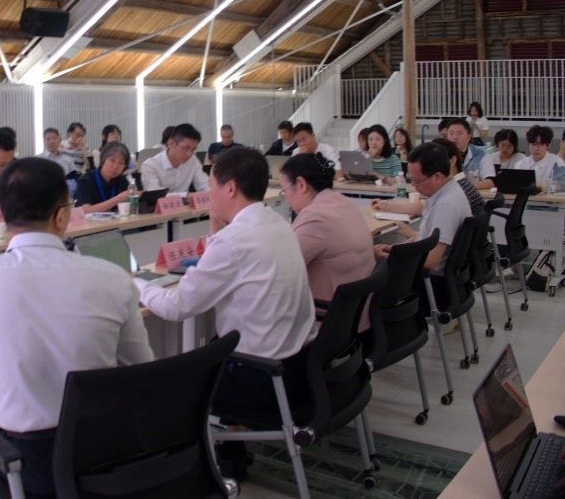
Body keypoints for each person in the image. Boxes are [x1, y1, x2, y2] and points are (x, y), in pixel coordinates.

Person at [0, 157, 153, 496]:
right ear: (62, 216)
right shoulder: (113, 278)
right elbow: (142, 367)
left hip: (29, 461)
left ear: (2, 215)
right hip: (105, 453)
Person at [137, 146, 315, 420]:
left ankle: (208, 441)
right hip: (297, 368)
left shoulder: (234, 240)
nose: (209, 194)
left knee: (167, 382)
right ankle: (231, 437)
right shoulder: (277, 222)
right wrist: (216, 230)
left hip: (258, 379)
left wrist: (137, 284)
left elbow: (177, 307)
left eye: (212, 186)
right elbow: (226, 262)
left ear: (230, 188)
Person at [280, 153, 374, 330]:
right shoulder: (343, 202)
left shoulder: (315, 217)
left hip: (329, 325)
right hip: (356, 321)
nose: (286, 198)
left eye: (284, 190)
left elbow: (281, 272)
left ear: (301, 184)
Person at [375, 142, 471, 276]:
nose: (414, 186)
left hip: (427, 279)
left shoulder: (446, 205)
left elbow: (430, 262)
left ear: (436, 177)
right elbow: (423, 239)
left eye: (417, 181)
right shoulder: (451, 190)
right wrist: (394, 249)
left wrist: (388, 257)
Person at [140, 123, 209, 193]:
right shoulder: (150, 166)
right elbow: (155, 195)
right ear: (171, 143)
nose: (189, 154)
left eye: (193, 150)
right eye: (185, 148)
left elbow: (205, 186)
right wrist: (187, 195)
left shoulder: (193, 160)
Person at [74, 142, 131, 213]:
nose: (115, 166)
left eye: (121, 163)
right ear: (103, 159)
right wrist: (118, 199)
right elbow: (86, 210)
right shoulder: (86, 180)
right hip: (91, 220)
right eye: (112, 160)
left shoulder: (122, 180)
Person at [446, 118, 495, 190]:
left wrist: (463, 187)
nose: (454, 137)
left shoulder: (482, 155)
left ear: (469, 137)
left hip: (473, 195)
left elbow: (490, 182)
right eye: (451, 133)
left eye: (459, 133)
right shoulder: (440, 155)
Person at [514, 124, 565, 192]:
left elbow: (562, 184)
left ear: (548, 145)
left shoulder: (557, 163)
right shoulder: (520, 164)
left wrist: (542, 188)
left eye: (540, 144)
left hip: (548, 198)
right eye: (533, 144)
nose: (536, 148)